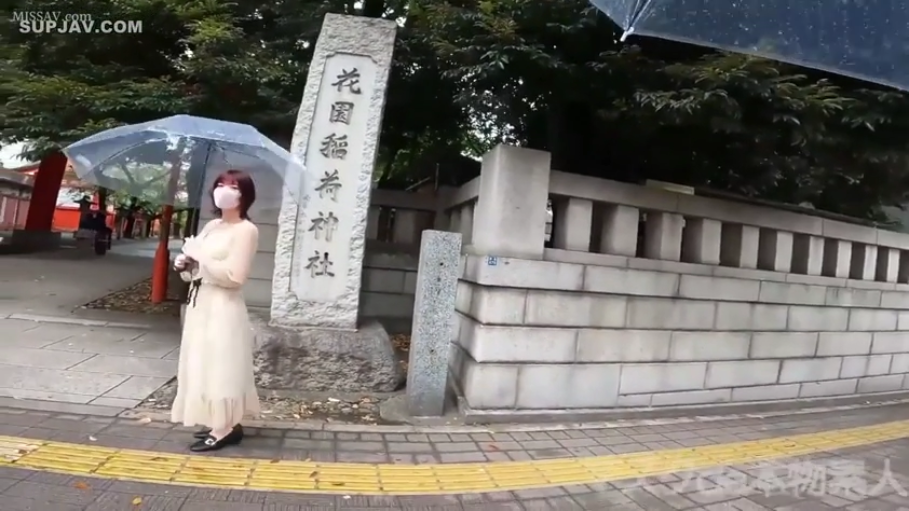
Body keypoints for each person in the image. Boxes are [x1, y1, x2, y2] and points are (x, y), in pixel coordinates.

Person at [171, 169, 260, 452]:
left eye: (233, 186)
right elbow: (199, 270)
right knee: (203, 362)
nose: (224, 190)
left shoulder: (246, 230)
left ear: (244, 195)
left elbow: (235, 277)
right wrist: (186, 264)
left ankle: (224, 428)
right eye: (220, 184)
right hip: (201, 302)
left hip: (224, 306)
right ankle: (219, 422)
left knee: (223, 364)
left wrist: (202, 257)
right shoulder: (211, 226)